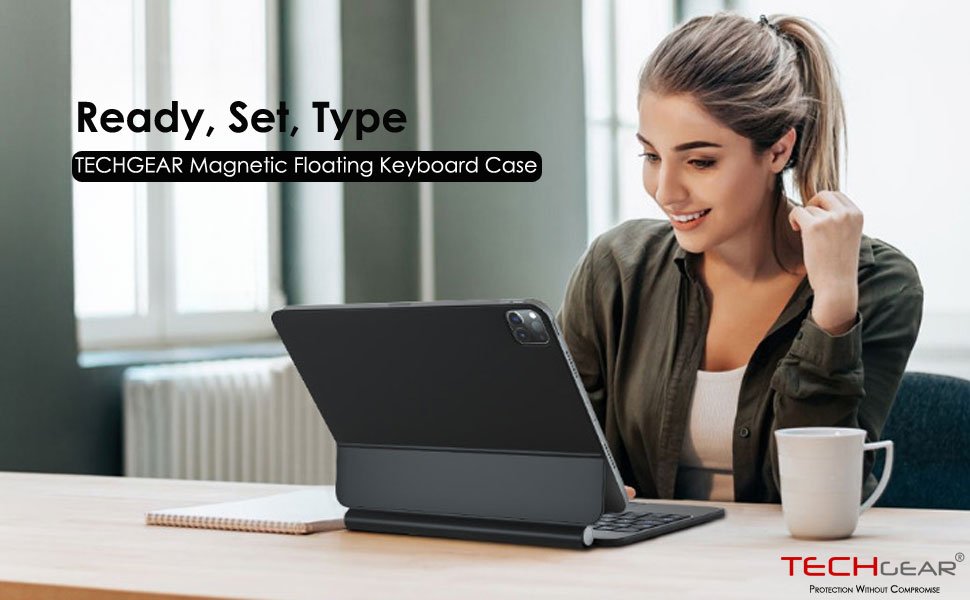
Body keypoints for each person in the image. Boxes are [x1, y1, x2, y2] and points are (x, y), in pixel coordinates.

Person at [556, 12, 923, 504]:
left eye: (700, 161)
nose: (665, 191)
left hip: (782, 575)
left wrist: (833, 308)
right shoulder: (617, 268)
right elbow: (557, 442)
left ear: (777, 150)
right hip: (635, 570)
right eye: (651, 156)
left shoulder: (878, 283)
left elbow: (818, 497)